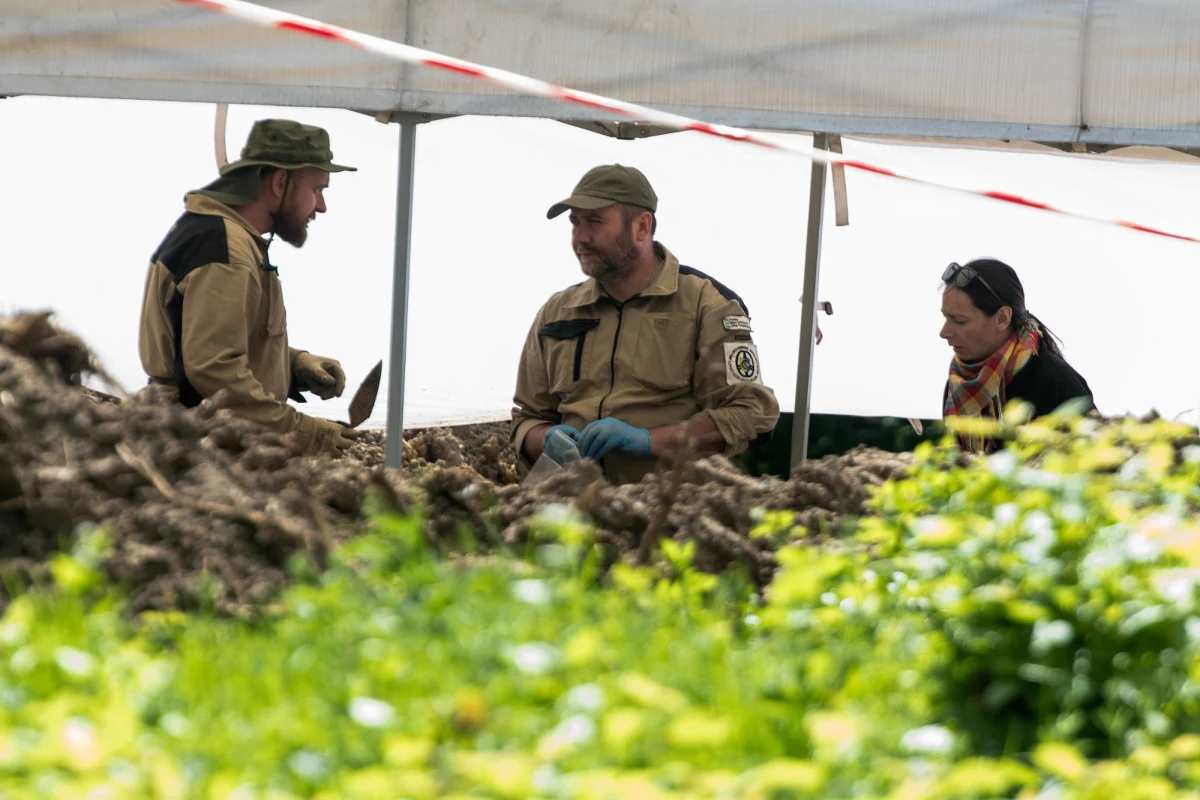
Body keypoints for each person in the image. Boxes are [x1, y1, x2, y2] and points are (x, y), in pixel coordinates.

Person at [510, 164, 780, 484]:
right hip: (566, 513)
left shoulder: (707, 305)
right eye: (575, 223)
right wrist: (544, 437)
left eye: (594, 222)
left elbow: (752, 414)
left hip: (666, 512)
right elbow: (526, 419)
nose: (580, 237)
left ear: (641, 226)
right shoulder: (557, 312)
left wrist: (646, 440)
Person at [138, 119, 358, 455]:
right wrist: (301, 431)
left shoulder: (223, 236)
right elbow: (214, 369)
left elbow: (213, 346)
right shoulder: (225, 253)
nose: (322, 207)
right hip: (204, 451)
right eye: (317, 190)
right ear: (281, 181)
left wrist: (294, 365)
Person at [940, 258, 1094, 452]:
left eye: (960, 321)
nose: (944, 332)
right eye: (945, 317)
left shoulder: (1058, 383)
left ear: (1002, 318)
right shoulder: (959, 382)